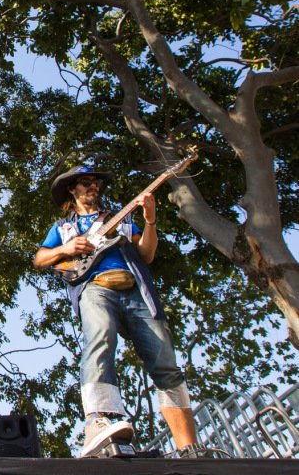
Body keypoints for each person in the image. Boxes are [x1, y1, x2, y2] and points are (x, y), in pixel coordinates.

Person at [33, 165, 206, 458]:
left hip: (136, 290)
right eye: (85, 182)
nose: (93, 186)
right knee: (100, 339)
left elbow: (147, 255)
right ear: (72, 191)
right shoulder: (62, 228)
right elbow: (40, 259)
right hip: (95, 287)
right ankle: (98, 422)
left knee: (165, 359)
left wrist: (149, 221)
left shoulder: (121, 219)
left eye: (96, 182)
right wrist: (67, 248)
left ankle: (189, 446)